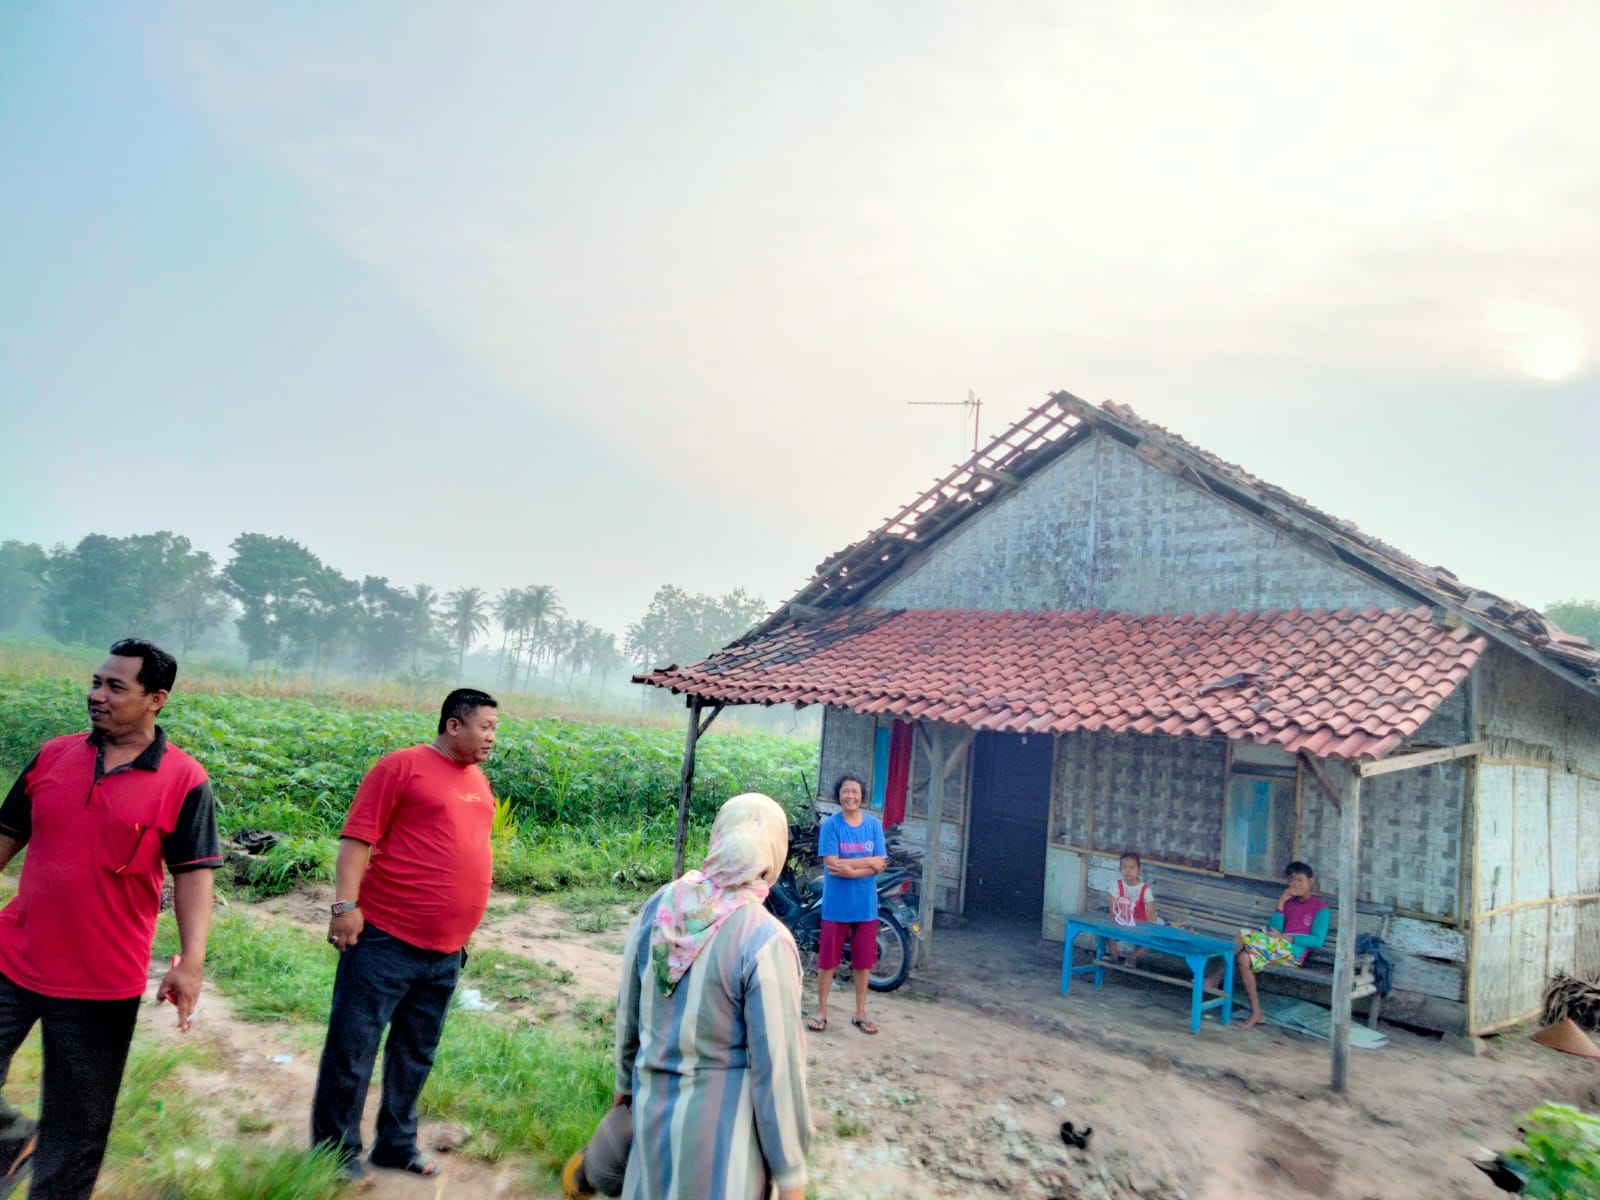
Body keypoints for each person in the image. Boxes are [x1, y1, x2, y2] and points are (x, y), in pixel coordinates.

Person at [0, 639, 222, 1199]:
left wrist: (190, 962)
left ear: (156, 699)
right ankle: (10, 1142)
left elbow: (194, 875)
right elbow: (5, 838)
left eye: (115, 686)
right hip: (13, 955)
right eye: (97, 681)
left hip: (101, 979)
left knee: (75, 1131)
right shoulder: (52, 755)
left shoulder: (184, 780)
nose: (96, 695)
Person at [309, 688, 499, 1183]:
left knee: (415, 1052)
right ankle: (334, 1152)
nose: (492, 738)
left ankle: (395, 1144)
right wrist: (345, 907)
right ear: (454, 725)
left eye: (495, 729)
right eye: (485, 727)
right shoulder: (400, 767)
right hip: (385, 940)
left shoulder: (478, 782)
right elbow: (357, 839)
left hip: (444, 951)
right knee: (354, 1048)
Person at [582, 792, 810, 1200]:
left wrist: (624, 1091)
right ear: (773, 857)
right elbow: (776, 1073)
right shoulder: (764, 940)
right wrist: (790, 1173)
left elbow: (628, 1016)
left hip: (650, 1127)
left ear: (718, 837)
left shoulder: (658, 908)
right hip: (722, 1158)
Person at [807, 772, 887, 1035]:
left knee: (863, 962)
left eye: (855, 791)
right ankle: (821, 1010)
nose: (850, 795)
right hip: (836, 906)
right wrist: (867, 863)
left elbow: (881, 863)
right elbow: (832, 864)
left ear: (862, 795)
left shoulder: (873, 826)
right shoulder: (832, 826)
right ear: (838, 796)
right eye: (845, 791)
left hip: (865, 906)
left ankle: (860, 1013)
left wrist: (852, 869)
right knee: (827, 960)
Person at [1211, 860, 1331, 1029]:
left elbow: (1317, 941)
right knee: (1244, 958)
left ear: (1311, 881)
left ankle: (1215, 978)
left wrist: (1286, 938)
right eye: (1292, 880)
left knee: (1241, 935)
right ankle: (1257, 1013)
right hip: (1275, 948)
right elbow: (1273, 930)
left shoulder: (1321, 908)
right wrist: (1281, 902)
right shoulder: (1289, 902)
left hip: (1293, 954)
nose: (1295, 884)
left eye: (1300, 880)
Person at [1110, 851, 1158, 967]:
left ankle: (1132, 958)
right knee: (1107, 933)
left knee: (1149, 940)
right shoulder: (1117, 885)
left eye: (1132, 867)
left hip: (1140, 923)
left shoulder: (1145, 889)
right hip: (1121, 921)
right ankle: (1115, 959)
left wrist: (1152, 927)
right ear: (1120, 869)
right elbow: (1112, 906)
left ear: (1139, 870)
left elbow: (1150, 910)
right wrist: (1113, 921)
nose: (1128, 871)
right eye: (1124, 867)